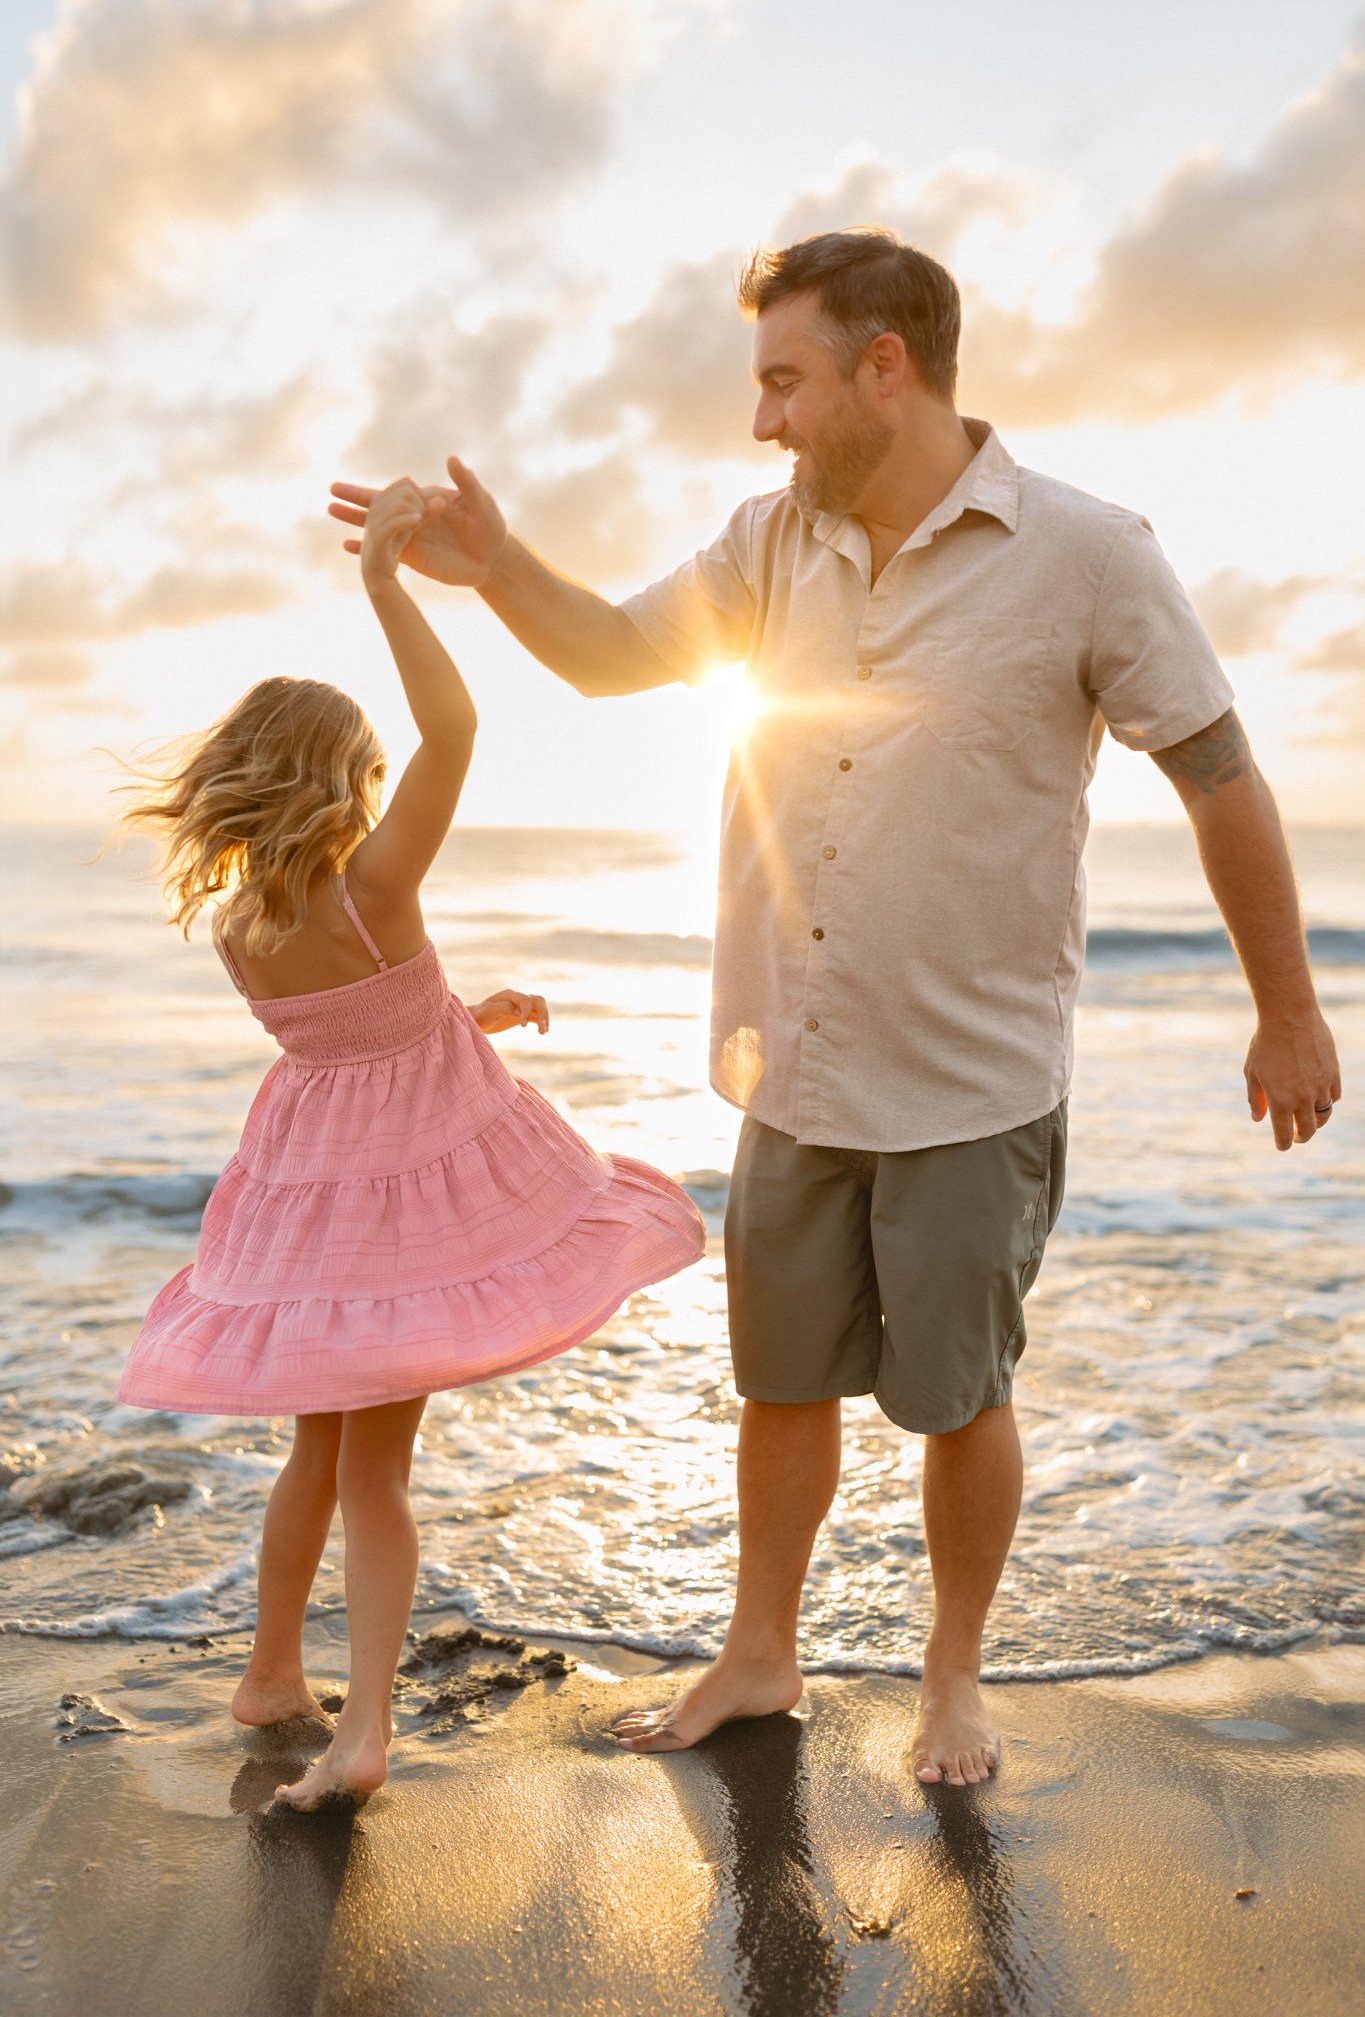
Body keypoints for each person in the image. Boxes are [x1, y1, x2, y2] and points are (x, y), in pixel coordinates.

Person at [328, 231, 1341, 1790]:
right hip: (785, 1064)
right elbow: (608, 658)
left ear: (887, 367)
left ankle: (952, 1680)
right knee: (778, 1385)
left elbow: (1216, 772)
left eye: (783, 381)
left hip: (971, 1078)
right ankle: (757, 1652)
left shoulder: (1087, 551)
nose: (764, 422)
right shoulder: (763, 546)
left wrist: (1285, 1009)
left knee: (957, 1402)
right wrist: (500, 564)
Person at [117, 477, 705, 1810]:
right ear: (342, 783)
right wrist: (385, 584)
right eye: (370, 779)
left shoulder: (240, 931)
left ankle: (272, 1674)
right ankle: (363, 1730)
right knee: (378, 1470)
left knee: (315, 1454)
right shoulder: (376, 882)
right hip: (399, 1203)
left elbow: (350, 1031)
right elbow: (460, 722)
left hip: (303, 1193)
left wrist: (465, 1007)